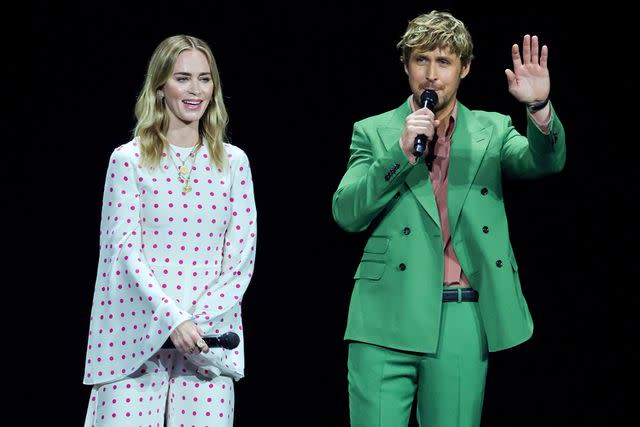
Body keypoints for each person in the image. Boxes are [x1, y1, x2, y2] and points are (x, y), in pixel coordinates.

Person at [332, 10, 565, 427]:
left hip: (458, 315)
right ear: (406, 66)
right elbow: (346, 212)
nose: (432, 75)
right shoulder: (374, 131)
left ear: (465, 68)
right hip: (383, 317)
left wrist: (539, 108)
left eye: (444, 62)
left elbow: (541, 161)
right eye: (421, 60)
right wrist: (399, 154)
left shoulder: (491, 131)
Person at [83, 35, 257, 426]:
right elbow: (124, 253)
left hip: (209, 340)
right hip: (135, 341)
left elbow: (241, 258)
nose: (195, 90)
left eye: (205, 78)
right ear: (160, 85)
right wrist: (172, 319)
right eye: (183, 78)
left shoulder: (234, 163)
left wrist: (196, 324)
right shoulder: (127, 160)